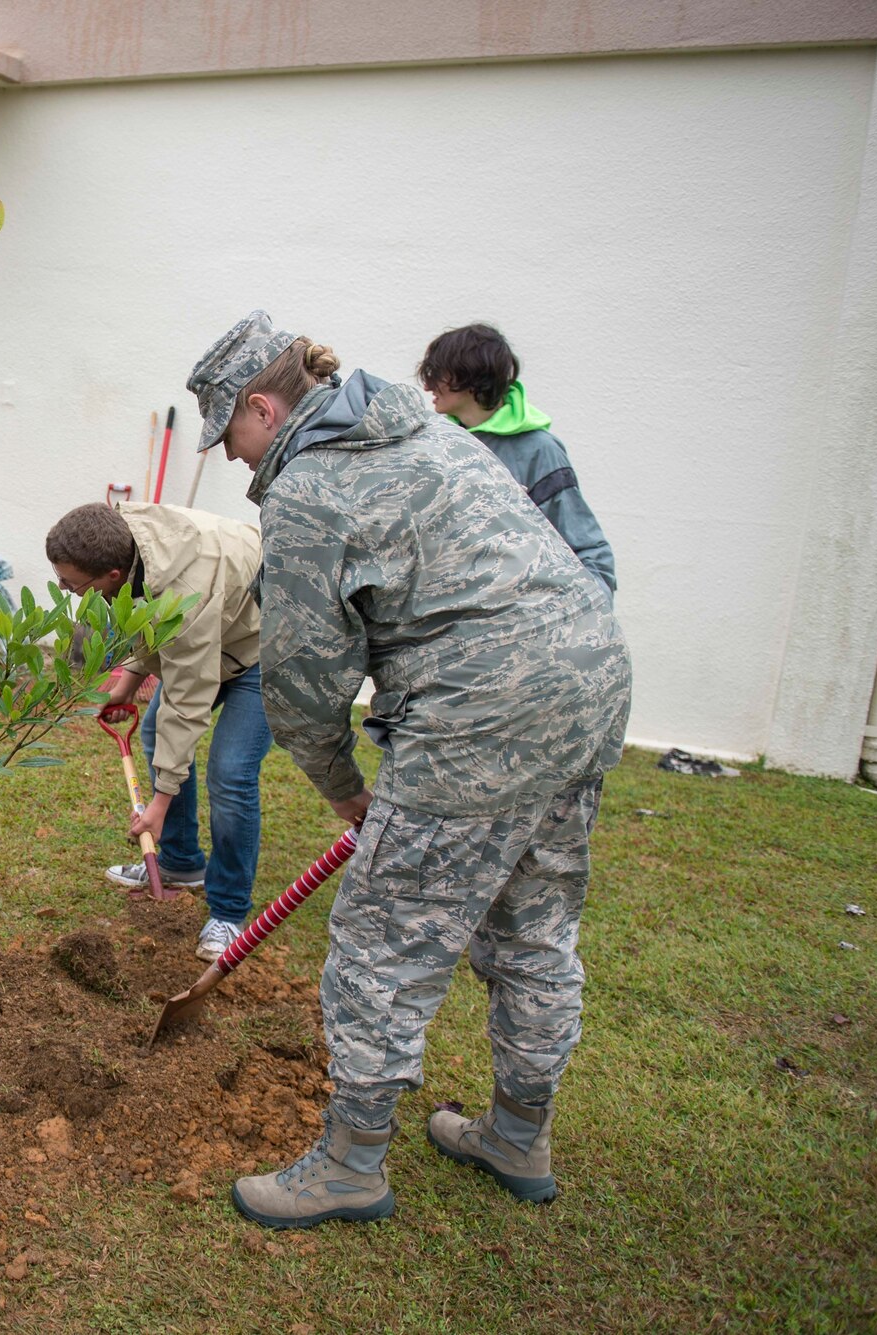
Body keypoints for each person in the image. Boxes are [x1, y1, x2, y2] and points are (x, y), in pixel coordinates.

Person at [187, 311, 631, 1230]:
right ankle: (517, 1135)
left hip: (484, 714)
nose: (230, 460)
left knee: (381, 944)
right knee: (535, 925)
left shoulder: (308, 488)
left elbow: (305, 685)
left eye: (227, 435)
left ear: (263, 409)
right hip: (589, 680)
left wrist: (348, 790)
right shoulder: (421, 423)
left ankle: (350, 1165)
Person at [45, 501, 269, 961]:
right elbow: (147, 624)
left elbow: (188, 700)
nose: (65, 590)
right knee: (152, 735)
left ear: (110, 573)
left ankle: (228, 911)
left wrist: (161, 803)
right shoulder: (128, 548)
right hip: (217, 629)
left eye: (71, 583)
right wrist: (127, 682)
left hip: (266, 646)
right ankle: (181, 863)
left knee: (230, 772)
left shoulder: (188, 588)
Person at [417, 323, 616, 596]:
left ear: (470, 376)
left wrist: (594, 611)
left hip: (524, 620)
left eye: (438, 375)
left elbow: (585, 547)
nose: (428, 386)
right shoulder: (439, 445)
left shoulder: (538, 449)